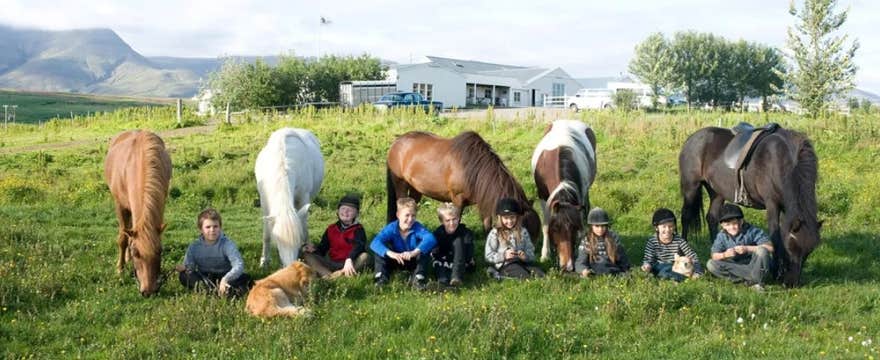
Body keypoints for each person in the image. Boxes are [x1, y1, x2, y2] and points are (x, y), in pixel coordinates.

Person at [176, 208, 253, 297]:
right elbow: (190, 267)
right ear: (200, 229)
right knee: (184, 275)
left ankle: (216, 292)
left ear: (220, 227)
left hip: (225, 276)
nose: (212, 230)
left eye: (215, 226)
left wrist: (226, 279)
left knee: (246, 280)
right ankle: (216, 292)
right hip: (205, 277)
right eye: (208, 227)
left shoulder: (227, 244)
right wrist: (184, 267)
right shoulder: (194, 247)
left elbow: (239, 265)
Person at [370, 197, 437, 290]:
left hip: (412, 260)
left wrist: (414, 252)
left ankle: (418, 279)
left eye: (413, 215)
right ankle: (381, 278)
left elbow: (431, 238)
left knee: (424, 251)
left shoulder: (417, 227)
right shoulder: (392, 227)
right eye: (407, 215)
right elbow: (375, 242)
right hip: (396, 260)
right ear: (398, 215)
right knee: (381, 250)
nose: (410, 219)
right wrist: (391, 253)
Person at [302, 194, 371, 279]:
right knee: (307, 255)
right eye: (343, 209)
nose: (345, 212)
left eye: (350, 210)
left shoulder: (359, 229)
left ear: (356, 214)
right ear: (338, 211)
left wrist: (349, 259)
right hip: (331, 262)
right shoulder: (331, 228)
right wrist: (314, 250)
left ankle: (336, 276)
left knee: (365, 257)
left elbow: (359, 247)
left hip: (349, 264)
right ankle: (330, 276)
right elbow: (323, 248)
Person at [706, 203, 773, 291]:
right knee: (711, 264)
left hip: (754, 265)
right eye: (727, 225)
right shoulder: (721, 236)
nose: (731, 227)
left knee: (762, 250)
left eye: (734, 224)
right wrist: (725, 255)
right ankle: (747, 281)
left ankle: (756, 280)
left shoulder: (752, 231)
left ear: (741, 221)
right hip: (737, 266)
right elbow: (714, 255)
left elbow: (770, 248)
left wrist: (747, 249)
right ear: (722, 225)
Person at [484, 198, 545, 279]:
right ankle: (497, 274)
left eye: (512, 217)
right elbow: (488, 256)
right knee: (524, 276)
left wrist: (525, 256)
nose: (509, 221)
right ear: (500, 218)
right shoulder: (495, 233)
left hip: (522, 262)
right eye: (506, 218)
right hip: (505, 265)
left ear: (517, 217)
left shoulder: (523, 231)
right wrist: (504, 256)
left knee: (541, 274)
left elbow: (531, 252)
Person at [640, 208, 703, 281]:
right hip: (658, 266)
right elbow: (648, 259)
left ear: (674, 227)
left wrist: (697, 271)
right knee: (661, 271)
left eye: (670, 226)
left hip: (675, 266)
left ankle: (681, 278)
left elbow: (693, 257)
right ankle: (681, 278)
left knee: (666, 272)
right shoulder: (652, 241)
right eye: (664, 227)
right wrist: (646, 266)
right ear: (656, 228)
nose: (667, 230)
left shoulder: (679, 241)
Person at [576, 207, 631, 277]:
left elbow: (623, 258)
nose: (600, 229)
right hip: (594, 272)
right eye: (597, 226)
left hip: (613, 271)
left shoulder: (613, 238)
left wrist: (626, 270)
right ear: (591, 226)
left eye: (603, 226)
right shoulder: (587, 240)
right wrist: (583, 270)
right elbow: (580, 261)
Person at [431, 202, 475, 287]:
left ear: (459, 218)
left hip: (462, 262)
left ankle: (456, 277)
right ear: (442, 221)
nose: (451, 223)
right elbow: (435, 252)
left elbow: (469, 254)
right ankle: (443, 282)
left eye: (454, 219)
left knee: (458, 241)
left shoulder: (466, 233)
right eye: (447, 220)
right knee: (439, 263)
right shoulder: (439, 233)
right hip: (444, 262)